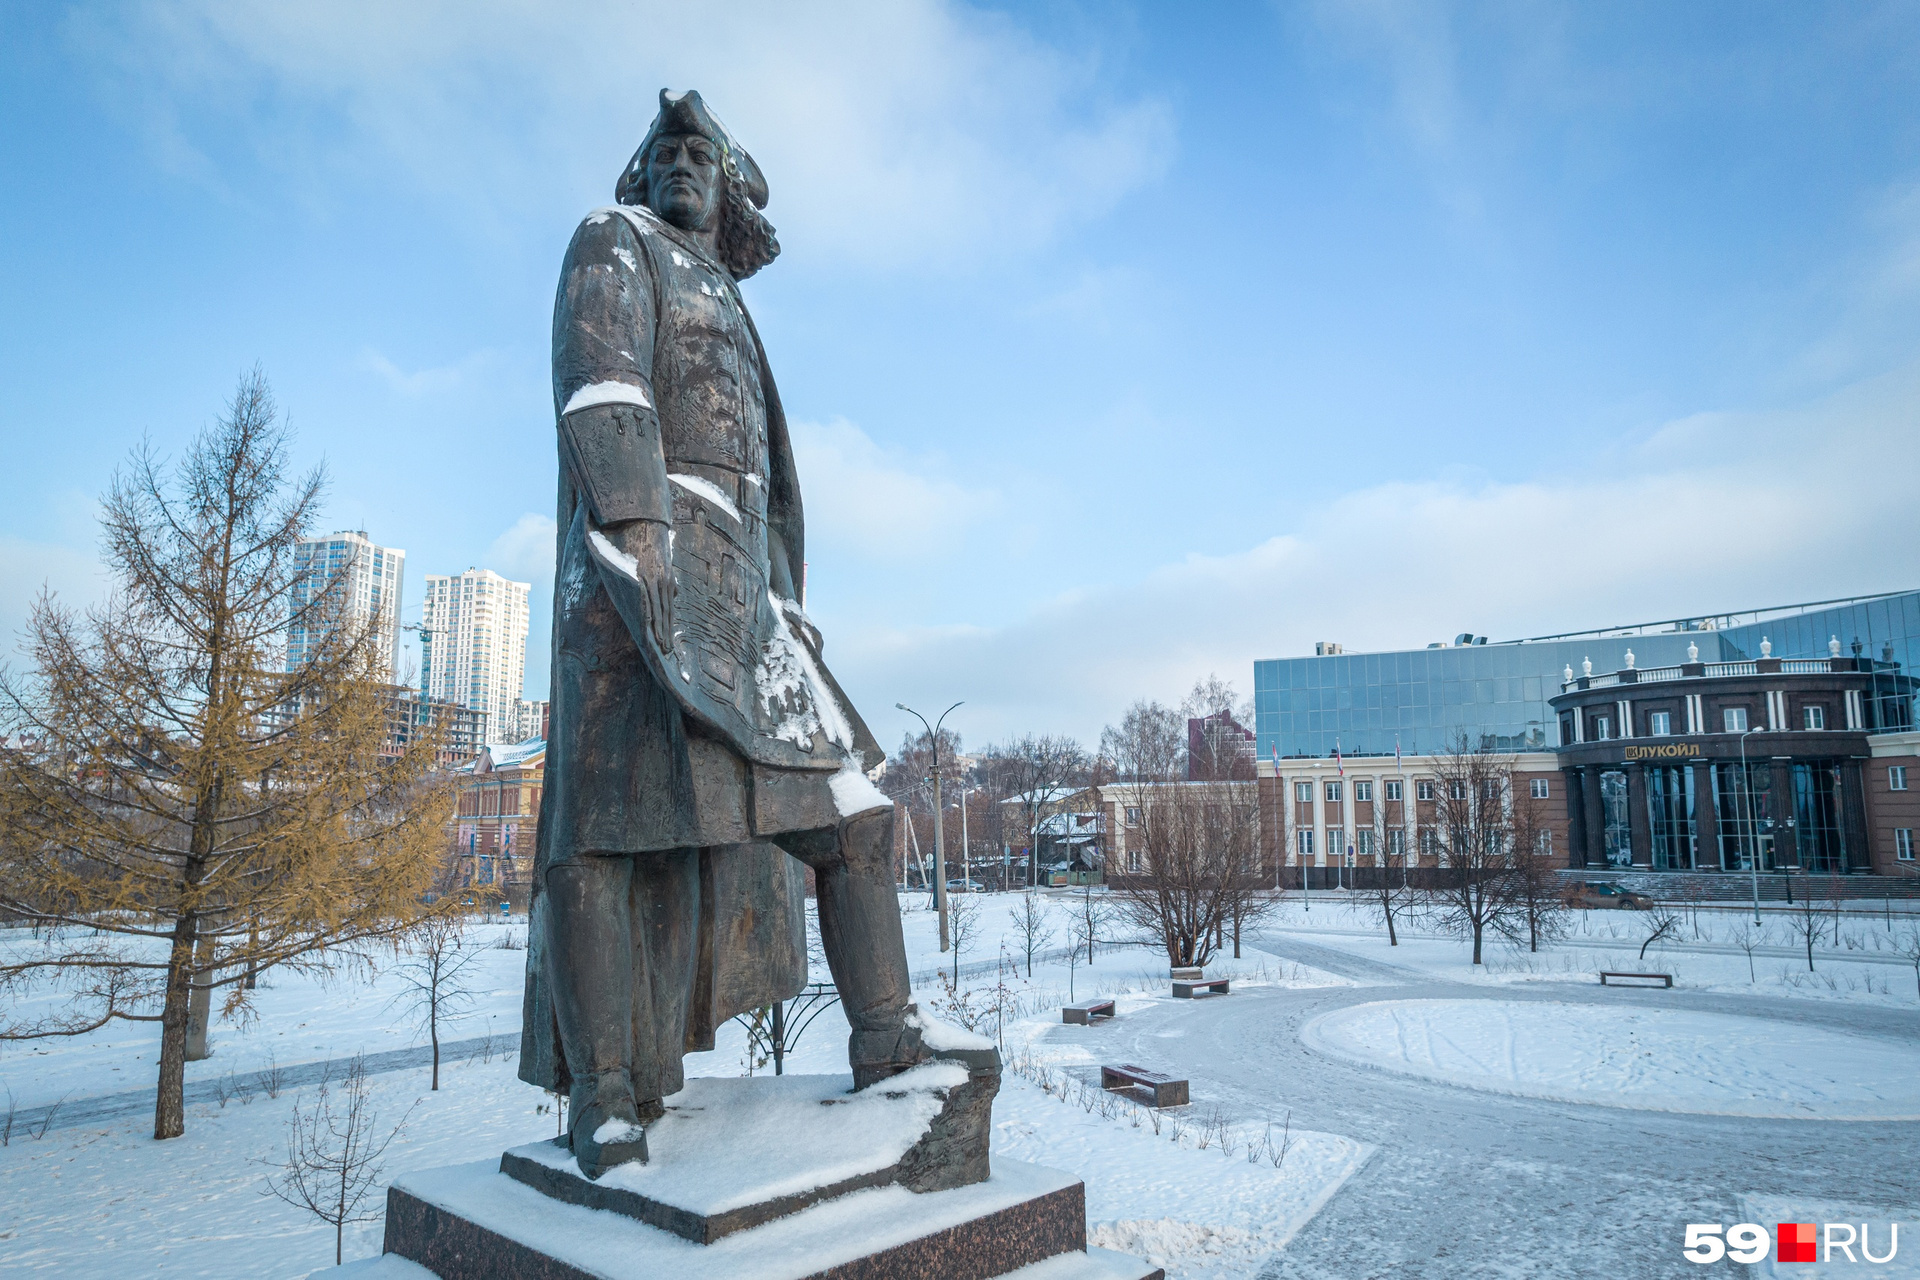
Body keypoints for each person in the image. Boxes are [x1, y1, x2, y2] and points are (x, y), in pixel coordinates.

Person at [518, 90, 955, 1179]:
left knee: (854, 815)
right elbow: (601, 383)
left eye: (699, 151)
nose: (680, 162)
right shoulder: (612, 240)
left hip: (748, 610)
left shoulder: (733, 299)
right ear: (643, 171)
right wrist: (634, 529)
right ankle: (607, 1096)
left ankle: (886, 1033)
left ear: (729, 183)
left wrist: (789, 611)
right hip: (643, 580)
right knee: (609, 838)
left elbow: (771, 494)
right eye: (664, 149)